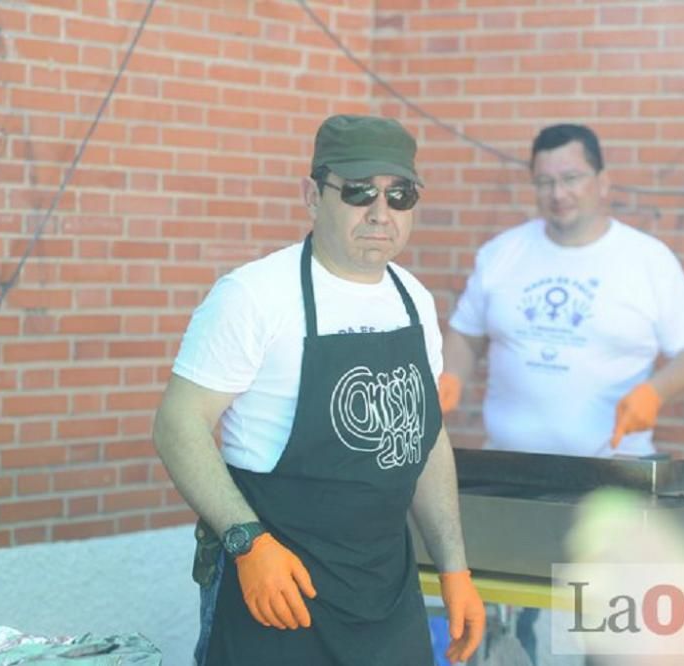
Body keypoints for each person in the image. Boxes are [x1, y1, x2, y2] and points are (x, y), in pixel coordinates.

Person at [153, 114, 485, 666]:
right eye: (358, 192)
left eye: (399, 195)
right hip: (279, 591)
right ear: (313, 195)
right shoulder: (254, 296)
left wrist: (454, 568)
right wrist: (246, 543)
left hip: (387, 589)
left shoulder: (413, 299)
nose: (381, 213)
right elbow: (178, 424)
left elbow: (424, 441)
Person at [438, 123, 684, 664]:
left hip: (611, 484)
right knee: (506, 633)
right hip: (511, 480)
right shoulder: (503, 254)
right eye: (545, 181)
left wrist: (654, 393)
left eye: (571, 178)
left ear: (603, 180)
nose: (558, 193)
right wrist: (452, 376)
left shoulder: (646, 259)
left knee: (606, 637)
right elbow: (466, 334)